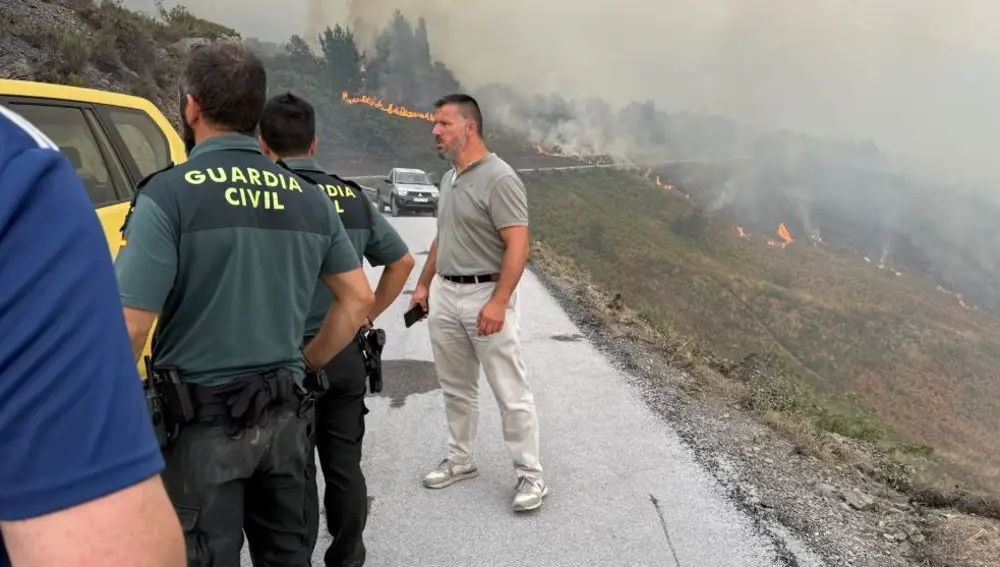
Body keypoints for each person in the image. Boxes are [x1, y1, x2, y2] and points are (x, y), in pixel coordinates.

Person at [113, 44, 375, 567]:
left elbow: (130, 328)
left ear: (191, 107)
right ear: (255, 111)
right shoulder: (309, 198)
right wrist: (309, 362)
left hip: (201, 431)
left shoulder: (169, 196)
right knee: (288, 554)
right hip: (286, 421)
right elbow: (359, 298)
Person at [0, 106, 186, 566]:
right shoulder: (17, 160)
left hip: (202, 414)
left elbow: (133, 327)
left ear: (192, 110)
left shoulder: (24, 173)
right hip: (286, 409)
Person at [258, 92, 415, 566]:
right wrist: (366, 314)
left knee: (297, 469)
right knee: (345, 464)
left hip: (289, 357)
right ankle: (347, 557)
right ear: (314, 143)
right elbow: (402, 261)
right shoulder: (351, 196)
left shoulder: (266, 197)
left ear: (263, 145)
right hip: (345, 351)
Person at [409, 93, 546, 512]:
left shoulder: (500, 178)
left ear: (469, 128)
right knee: (456, 387)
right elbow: (443, 237)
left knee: (510, 390)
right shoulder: (448, 178)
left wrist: (499, 301)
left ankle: (531, 475)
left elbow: (519, 245)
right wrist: (423, 285)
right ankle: (461, 459)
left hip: (485, 294)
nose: (435, 130)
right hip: (446, 294)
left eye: (444, 123)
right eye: (435, 123)